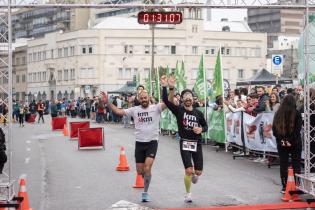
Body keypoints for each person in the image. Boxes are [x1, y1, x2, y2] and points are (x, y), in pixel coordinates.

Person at [101, 90, 166, 202]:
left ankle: (145, 192)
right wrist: (108, 102)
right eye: (141, 98)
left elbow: (168, 102)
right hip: (140, 143)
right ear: (139, 99)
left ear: (149, 98)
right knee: (140, 171)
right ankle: (146, 177)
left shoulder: (156, 108)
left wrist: (168, 88)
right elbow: (118, 111)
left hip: (152, 142)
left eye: (145, 97)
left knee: (147, 167)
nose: (144, 100)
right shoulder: (134, 110)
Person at [161, 75, 208, 203]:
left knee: (198, 172)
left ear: (193, 99)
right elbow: (165, 100)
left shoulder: (198, 113)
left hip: (197, 143)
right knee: (188, 170)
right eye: (185, 96)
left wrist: (201, 130)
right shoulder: (179, 111)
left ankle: (195, 173)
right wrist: (167, 86)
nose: (188, 98)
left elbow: (205, 126)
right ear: (182, 99)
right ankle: (188, 194)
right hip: (185, 143)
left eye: (190, 96)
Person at [272, 95, 302, 194]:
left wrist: (282, 140)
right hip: (295, 142)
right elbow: (297, 130)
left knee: (283, 163)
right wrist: (290, 140)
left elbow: (275, 130)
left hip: (281, 143)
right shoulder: (297, 113)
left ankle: (285, 186)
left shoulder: (278, 113)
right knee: (296, 163)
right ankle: (296, 185)